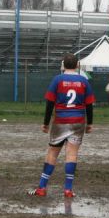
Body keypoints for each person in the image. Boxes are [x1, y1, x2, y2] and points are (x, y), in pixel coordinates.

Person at [28, 53, 95, 198]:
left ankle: (42, 188)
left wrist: (46, 123)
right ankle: (68, 190)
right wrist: (89, 123)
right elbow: (89, 104)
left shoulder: (57, 79)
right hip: (78, 121)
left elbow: (49, 103)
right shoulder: (83, 81)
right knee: (72, 154)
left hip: (61, 121)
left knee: (52, 152)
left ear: (63, 65)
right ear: (77, 65)